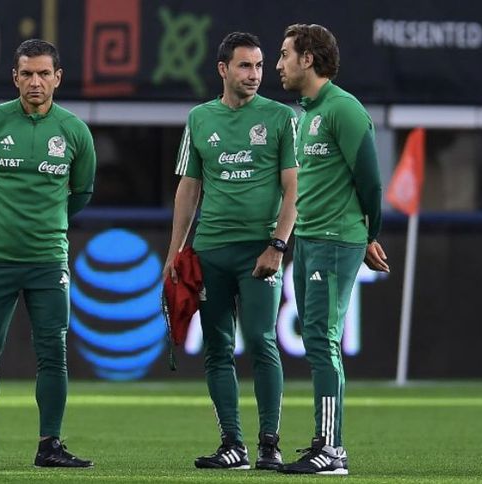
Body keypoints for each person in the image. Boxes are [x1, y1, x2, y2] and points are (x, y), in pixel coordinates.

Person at [0, 39, 97, 469]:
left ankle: (50, 446)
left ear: (58, 78)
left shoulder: (75, 132)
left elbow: (81, 193)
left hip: (48, 260)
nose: (35, 82)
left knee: (53, 353)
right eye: (27, 74)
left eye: (44, 74)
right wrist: (3, 222)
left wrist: (48, 223)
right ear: (15, 77)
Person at [163, 32, 298, 471]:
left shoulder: (281, 117)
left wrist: (277, 244)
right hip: (211, 251)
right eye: (245, 65)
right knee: (217, 348)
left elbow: (293, 188)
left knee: (260, 339)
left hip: (259, 251)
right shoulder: (200, 118)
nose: (255, 74)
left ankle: (269, 445)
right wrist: (176, 252)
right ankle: (232, 445)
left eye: (259, 65)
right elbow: (189, 188)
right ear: (223, 69)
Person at [275, 23, 390, 475]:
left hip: (335, 240)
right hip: (308, 240)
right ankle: (326, 444)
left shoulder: (344, 109)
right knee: (317, 340)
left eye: (285, 54)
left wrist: (369, 234)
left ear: (308, 59)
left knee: (322, 340)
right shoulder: (306, 114)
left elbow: (371, 182)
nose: (279, 64)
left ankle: (331, 449)